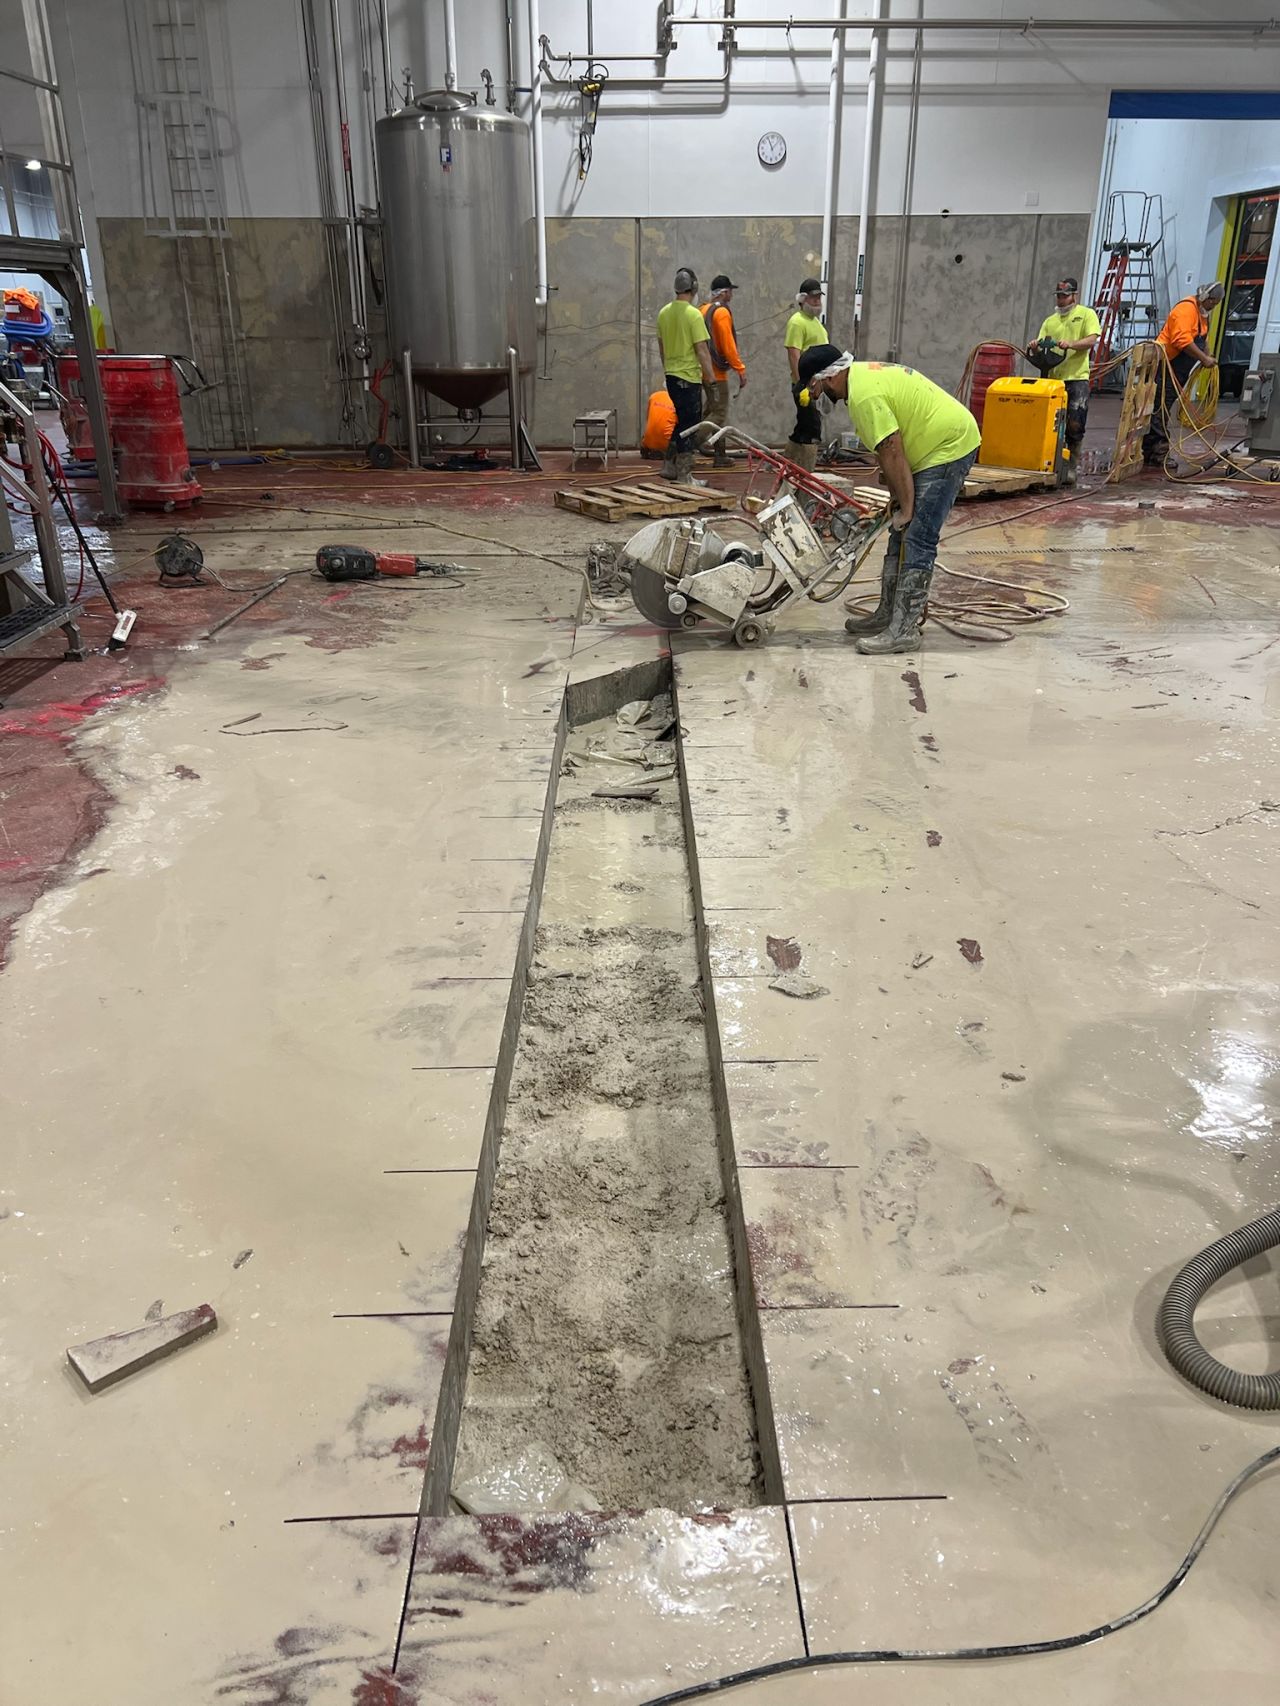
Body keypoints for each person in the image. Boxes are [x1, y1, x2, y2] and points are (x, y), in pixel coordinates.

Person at [798, 344, 980, 655]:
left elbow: (892, 449)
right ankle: (888, 614)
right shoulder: (861, 382)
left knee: (918, 535)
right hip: (929, 448)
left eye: (812, 387)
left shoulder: (864, 396)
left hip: (949, 446)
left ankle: (904, 631)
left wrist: (907, 507)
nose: (814, 396)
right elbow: (888, 454)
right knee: (899, 530)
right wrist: (896, 501)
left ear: (827, 378)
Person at [1142, 280, 1223, 467]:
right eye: (1212, 302)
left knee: (1164, 407)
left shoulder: (1202, 315)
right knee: (1160, 408)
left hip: (1179, 370)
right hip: (1166, 366)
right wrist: (1203, 359)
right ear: (1204, 298)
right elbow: (1182, 341)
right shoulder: (1186, 310)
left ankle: (1149, 450)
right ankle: (1158, 452)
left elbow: (1203, 338)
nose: (1213, 306)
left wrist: (1208, 355)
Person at [1029, 276, 1100, 484]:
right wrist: (1035, 345)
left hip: (1076, 377)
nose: (1060, 300)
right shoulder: (1050, 321)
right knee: (1050, 423)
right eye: (1058, 296)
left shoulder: (1086, 315)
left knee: (1075, 423)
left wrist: (1071, 344)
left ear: (1074, 296)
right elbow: (1042, 342)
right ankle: (1049, 460)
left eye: (1064, 296)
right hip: (1053, 379)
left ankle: (1071, 466)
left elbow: (1092, 339)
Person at [656, 267, 715, 485]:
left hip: (672, 377)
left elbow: (662, 349)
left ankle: (669, 466)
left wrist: (668, 370)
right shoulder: (693, 315)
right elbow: (702, 350)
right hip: (689, 379)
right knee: (690, 427)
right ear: (694, 288)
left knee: (681, 422)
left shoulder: (663, 313)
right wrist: (711, 378)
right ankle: (684, 475)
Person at [699, 274, 747, 467]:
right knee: (718, 414)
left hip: (702, 371)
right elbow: (728, 345)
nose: (732, 295)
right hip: (717, 374)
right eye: (730, 291)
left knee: (710, 412)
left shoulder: (702, 310)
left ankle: (720, 455)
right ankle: (686, 446)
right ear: (725, 292)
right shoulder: (722, 313)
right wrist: (740, 369)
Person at [785, 278, 828, 472]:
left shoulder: (816, 323)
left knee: (802, 428)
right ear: (802, 300)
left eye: (819, 297)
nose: (817, 301)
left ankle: (788, 464)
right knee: (812, 429)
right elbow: (794, 353)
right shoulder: (797, 322)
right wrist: (801, 383)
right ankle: (807, 473)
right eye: (813, 298)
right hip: (805, 386)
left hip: (816, 384)